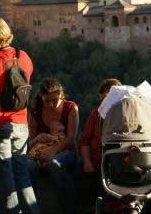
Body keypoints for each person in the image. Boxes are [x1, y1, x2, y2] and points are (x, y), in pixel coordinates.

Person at [0, 17, 39, 214]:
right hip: (21, 123)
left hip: (0, 124)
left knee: (5, 180)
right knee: (22, 175)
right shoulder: (23, 56)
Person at [28, 78, 79, 214]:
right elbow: (30, 142)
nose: (50, 104)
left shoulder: (70, 108)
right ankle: (30, 209)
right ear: (41, 97)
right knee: (28, 168)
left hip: (66, 152)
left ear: (61, 96)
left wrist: (53, 151)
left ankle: (69, 209)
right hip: (40, 154)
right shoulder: (35, 112)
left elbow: (71, 138)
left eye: (54, 101)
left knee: (54, 163)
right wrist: (38, 138)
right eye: (47, 101)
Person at [77, 78, 121, 212]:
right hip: (97, 164)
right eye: (107, 96)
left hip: (118, 165)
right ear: (101, 96)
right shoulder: (95, 114)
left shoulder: (126, 113)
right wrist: (87, 161)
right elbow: (84, 141)